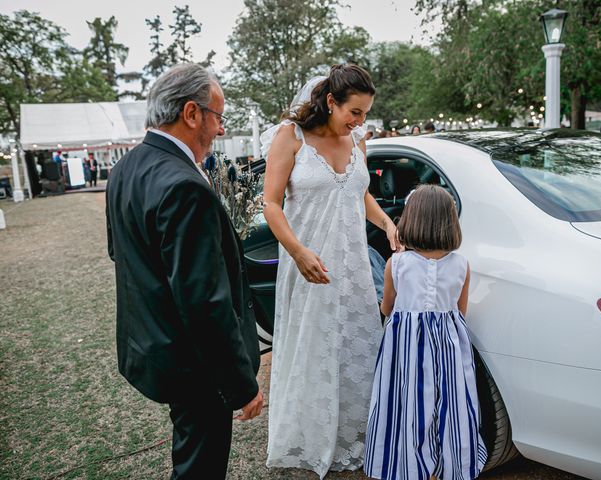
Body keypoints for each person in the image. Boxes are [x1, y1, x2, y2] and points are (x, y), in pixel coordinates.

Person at [105, 63, 263, 479]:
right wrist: (242, 385)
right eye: (218, 117)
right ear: (192, 114)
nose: (221, 130)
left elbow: (120, 253)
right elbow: (204, 303)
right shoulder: (184, 186)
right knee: (200, 468)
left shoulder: (125, 168)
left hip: (155, 345)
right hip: (196, 365)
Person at [260, 64, 397, 478]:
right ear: (331, 102)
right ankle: (313, 435)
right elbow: (270, 204)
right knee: (314, 346)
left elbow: (361, 195)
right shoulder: (292, 137)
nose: (360, 122)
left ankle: (355, 434)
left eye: (366, 113)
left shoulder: (358, 141)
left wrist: (388, 223)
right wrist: (299, 252)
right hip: (308, 264)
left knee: (353, 345)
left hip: (352, 265)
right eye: (354, 112)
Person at [364, 185, 487, 480]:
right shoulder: (461, 265)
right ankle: (450, 460)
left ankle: (408, 461)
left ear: (411, 220)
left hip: (406, 348)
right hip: (448, 346)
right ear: (450, 222)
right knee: (451, 402)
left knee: (407, 402)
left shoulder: (397, 264)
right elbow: (461, 310)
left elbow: (387, 306)